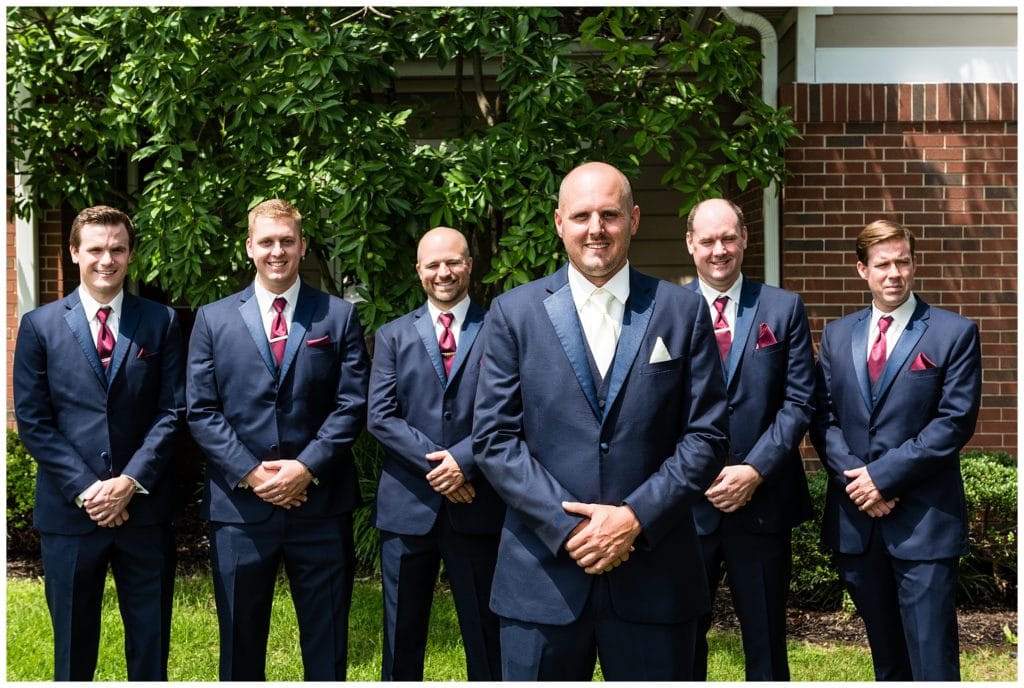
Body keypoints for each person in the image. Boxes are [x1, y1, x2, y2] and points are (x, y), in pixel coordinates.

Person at [472, 161, 730, 681]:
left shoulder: (681, 312)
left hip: (655, 578)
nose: (596, 228)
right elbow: (495, 439)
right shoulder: (512, 314)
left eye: (610, 214)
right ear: (558, 223)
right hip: (542, 578)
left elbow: (707, 435)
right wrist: (570, 529)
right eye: (582, 215)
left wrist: (632, 519)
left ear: (633, 220)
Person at [186, 199, 369, 681]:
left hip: (320, 505)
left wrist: (305, 467)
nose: (277, 251)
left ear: (303, 245)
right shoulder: (213, 319)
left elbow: (352, 404)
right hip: (241, 508)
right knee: (239, 641)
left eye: (287, 241)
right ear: (249, 247)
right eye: (266, 241)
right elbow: (201, 409)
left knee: (327, 639)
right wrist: (251, 472)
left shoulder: (338, 316)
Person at [13, 205, 185, 681]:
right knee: (72, 645)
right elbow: (33, 420)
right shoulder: (39, 326)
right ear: (73, 253)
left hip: (144, 512)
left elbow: (173, 411)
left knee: (150, 645)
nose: (106, 259)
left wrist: (130, 481)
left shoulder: (162, 322)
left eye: (117, 249)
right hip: (71, 514)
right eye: (95, 249)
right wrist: (90, 488)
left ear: (130, 255)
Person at [810, 219, 981, 681]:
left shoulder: (953, 333)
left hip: (924, 523)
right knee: (886, 661)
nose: (894, 274)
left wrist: (882, 478)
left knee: (932, 662)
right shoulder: (837, 335)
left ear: (914, 263)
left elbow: (953, 423)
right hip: (857, 523)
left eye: (903, 262)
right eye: (883, 264)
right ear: (861, 269)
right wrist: (859, 482)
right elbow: (822, 418)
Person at [682, 198, 815, 681]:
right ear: (691, 244)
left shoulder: (782, 308)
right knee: (681, 640)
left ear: (745, 240)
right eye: (709, 240)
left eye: (729, 238)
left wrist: (755, 470)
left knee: (766, 642)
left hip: (762, 504)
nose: (720, 250)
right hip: (686, 506)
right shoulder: (664, 310)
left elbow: (800, 402)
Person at [367, 226, 504, 681]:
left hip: (477, 503)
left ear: (469, 264)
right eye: (433, 264)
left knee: (485, 635)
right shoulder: (393, 335)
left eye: (453, 262)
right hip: (409, 507)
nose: (443, 272)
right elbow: (381, 417)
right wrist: (442, 468)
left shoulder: (500, 329)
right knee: (400, 636)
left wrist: (464, 462)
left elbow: (509, 412)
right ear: (418, 271)